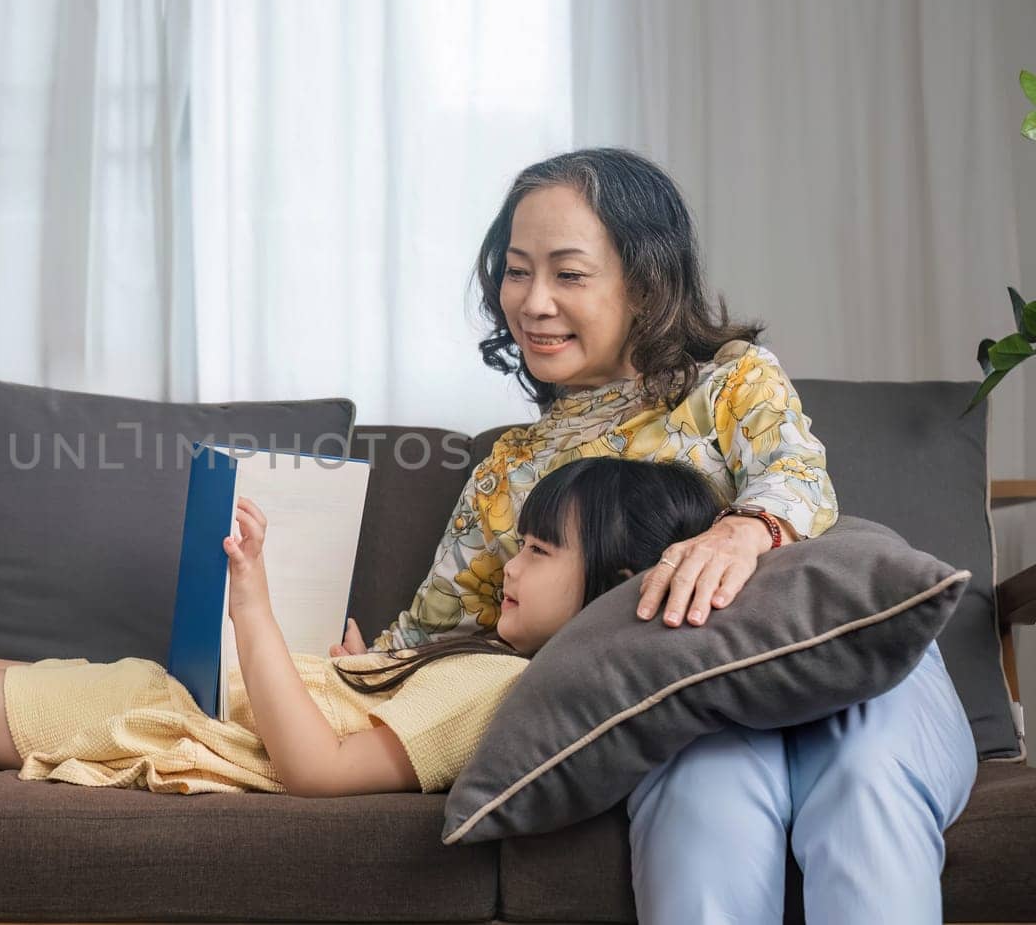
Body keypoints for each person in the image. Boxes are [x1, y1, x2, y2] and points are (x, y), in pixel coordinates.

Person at [335, 147, 976, 923]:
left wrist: (739, 532)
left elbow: (798, 477)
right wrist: (361, 673)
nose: (533, 302)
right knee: (705, 798)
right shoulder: (510, 469)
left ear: (644, 283)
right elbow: (434, 630)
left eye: (568, 274)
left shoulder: (734, 381)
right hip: (686, 709)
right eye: (516, 270)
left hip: (856, 678)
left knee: (865, 781)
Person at [0, 456, 717, 800]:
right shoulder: (487, 668)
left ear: (613, 582)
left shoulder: (500, 696)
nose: (505, 564)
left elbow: (316, 769)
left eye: (536, 550)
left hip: (186, 725)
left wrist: (256, 608)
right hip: (193, 704)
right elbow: (360, 722)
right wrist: (363, 666)